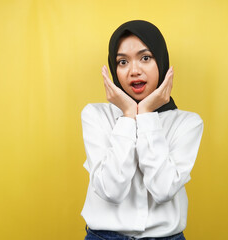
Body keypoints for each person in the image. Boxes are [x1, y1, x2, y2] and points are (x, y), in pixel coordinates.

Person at [81, 20, 204, 240]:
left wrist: (145, 113)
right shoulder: (95, 115)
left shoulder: (187, 123)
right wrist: (129, 115)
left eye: (145, 58)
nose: (134, 71)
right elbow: (111, 190)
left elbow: (163, 189)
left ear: (162, 60)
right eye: (122, 62)